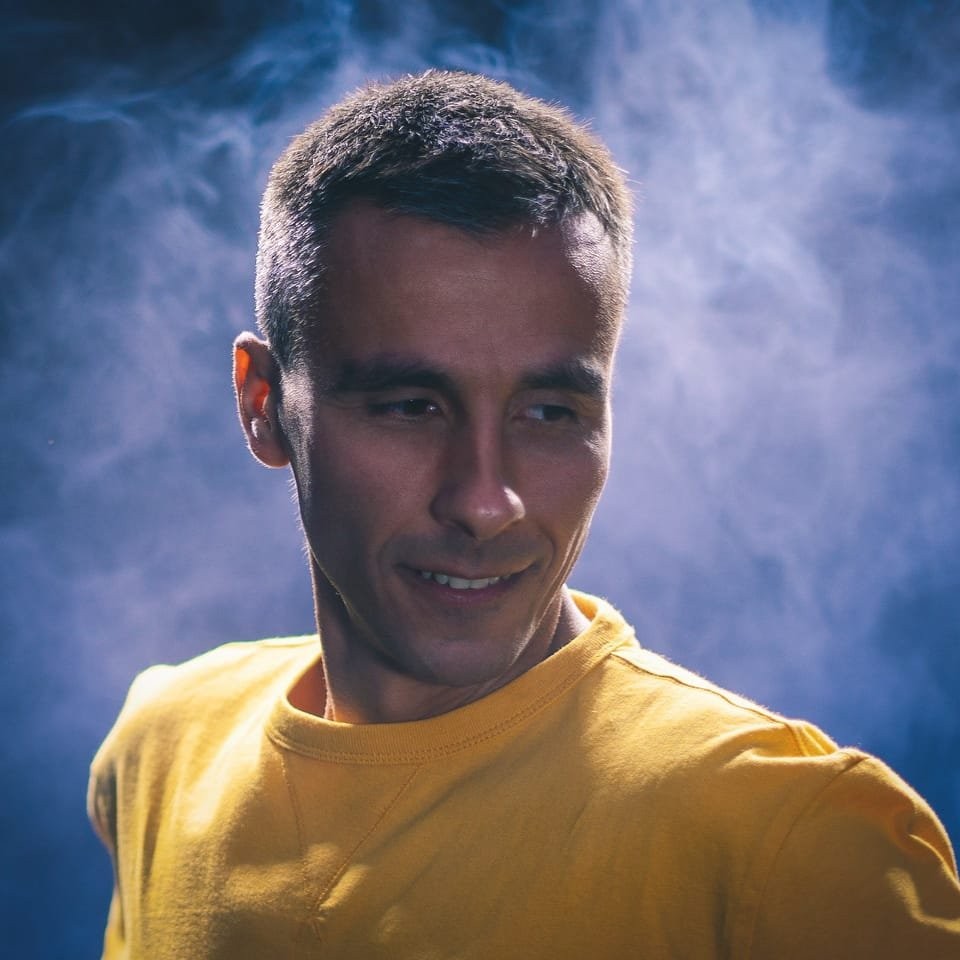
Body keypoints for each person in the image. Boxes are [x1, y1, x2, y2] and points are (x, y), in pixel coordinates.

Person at [88, 70, 960, 959]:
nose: (484, 502)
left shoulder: (795, 844)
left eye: (548, 413)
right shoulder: (163, 746)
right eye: (409, 406)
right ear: (263, 405)